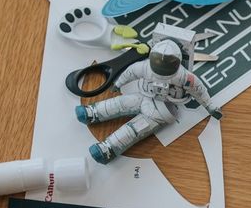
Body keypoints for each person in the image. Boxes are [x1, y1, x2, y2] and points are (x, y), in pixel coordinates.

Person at [75, 40, 222, 164]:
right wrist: (118, 84)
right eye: (158, 62)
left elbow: (199, 90)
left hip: (163, 109)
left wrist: (209, 106)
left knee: (135, 129)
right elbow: (130, 72)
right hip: (144, 96)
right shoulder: (145, 67)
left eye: (167, 64)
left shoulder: (184, 77)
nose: (161, 67)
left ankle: (108, 148)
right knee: (123, 103)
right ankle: (93, 112)